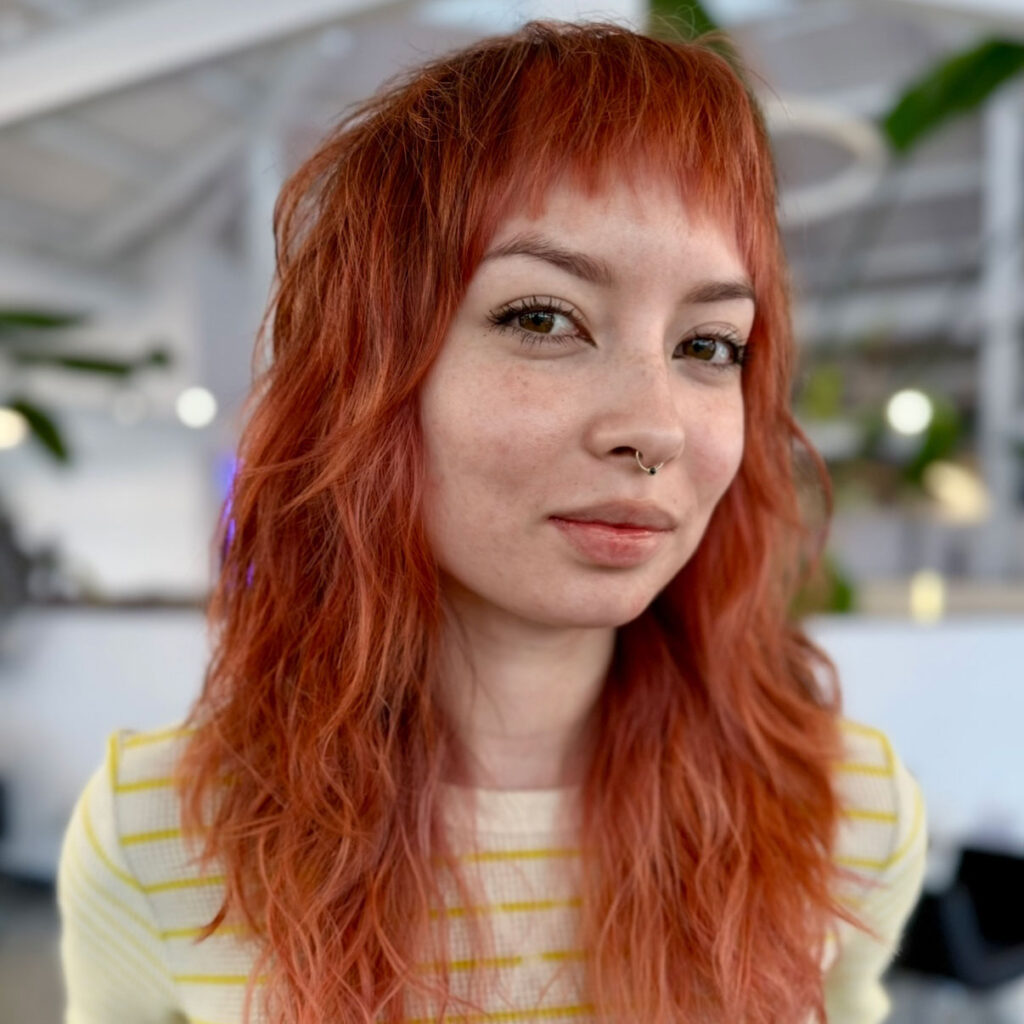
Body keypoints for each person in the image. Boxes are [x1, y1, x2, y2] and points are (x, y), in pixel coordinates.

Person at [56, 19, 927, 1024]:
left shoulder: (846, 815)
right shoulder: (159, 836)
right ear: (367, 378)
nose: (655, 429)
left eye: (707, 344)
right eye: (543, 318)